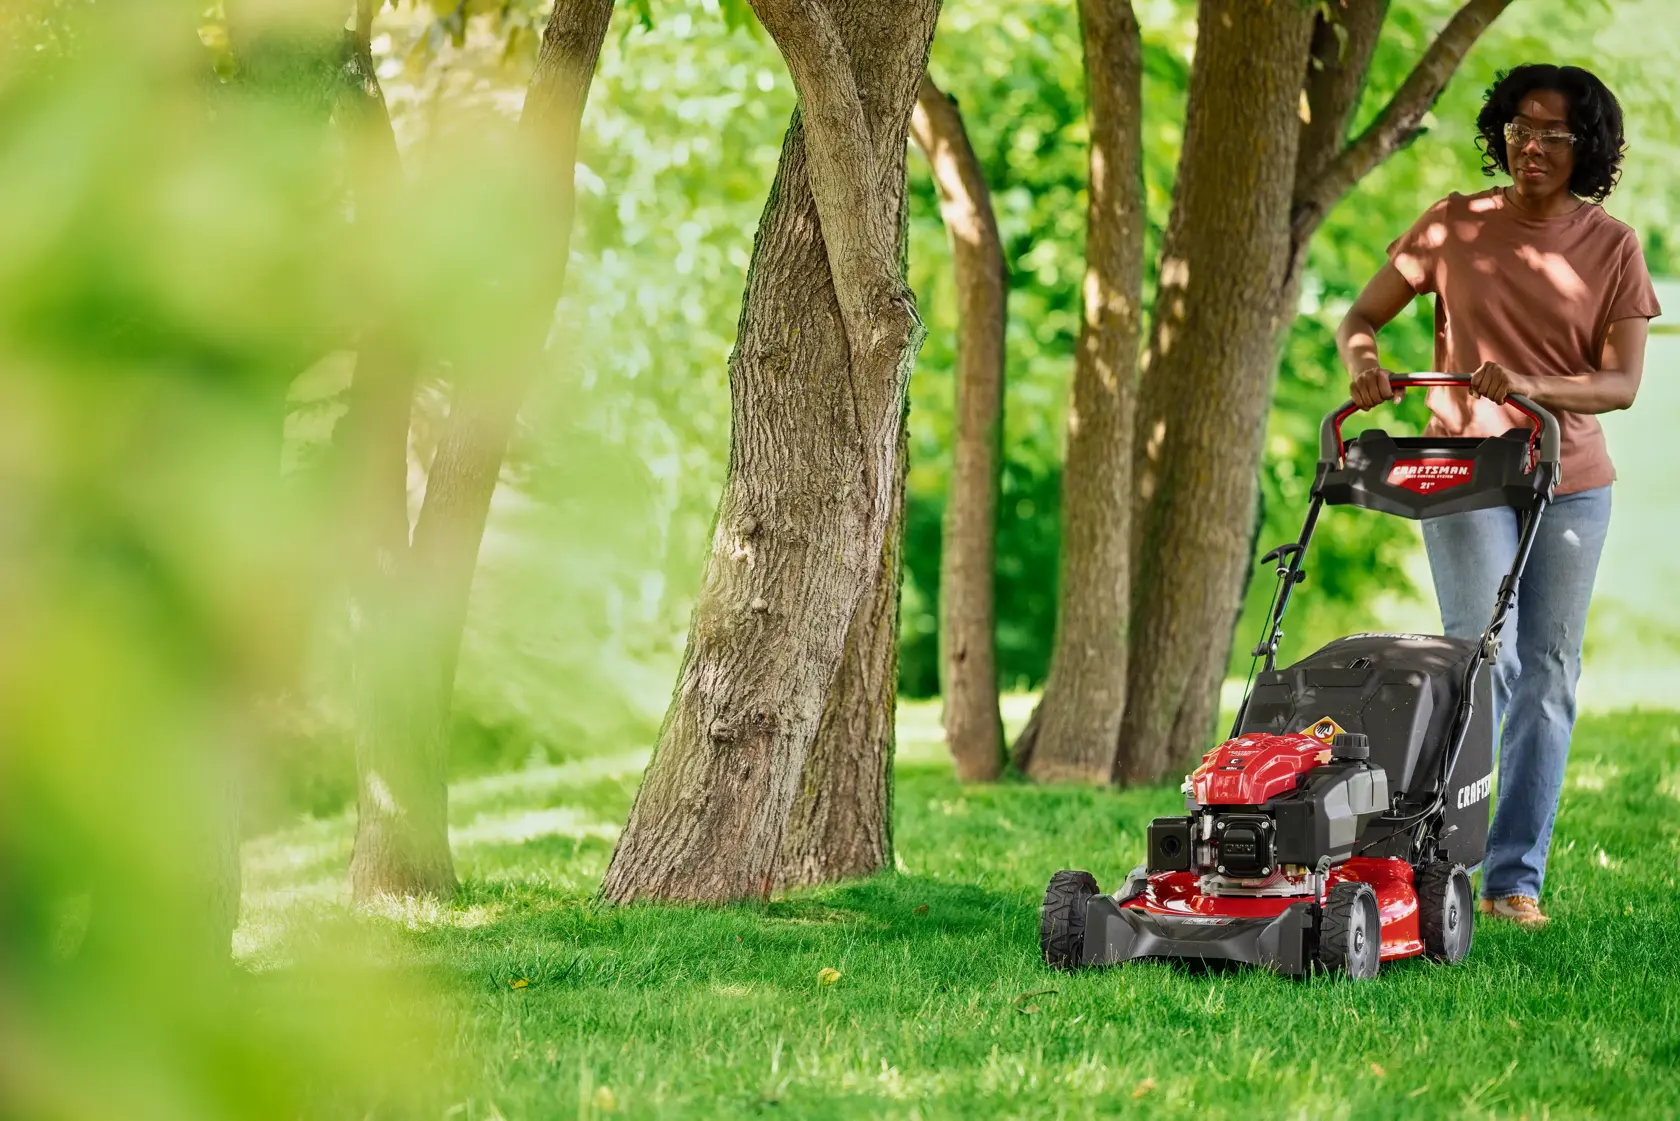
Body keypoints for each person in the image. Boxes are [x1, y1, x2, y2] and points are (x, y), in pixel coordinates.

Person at [1334, 64, 1661, 929]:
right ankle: (1441, 854)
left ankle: (1515, 878)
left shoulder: (1613, 245)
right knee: (1486, 659)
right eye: (1520, 127)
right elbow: (1360, 318)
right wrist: (1364, 364)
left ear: (1585, 146)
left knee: (1548, 675)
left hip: (1567, 476)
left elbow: (1622, 382)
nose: (1533, 146)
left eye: (1554, 133)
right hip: (1467, 471)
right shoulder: (1453, 223)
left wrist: (1531, 381)